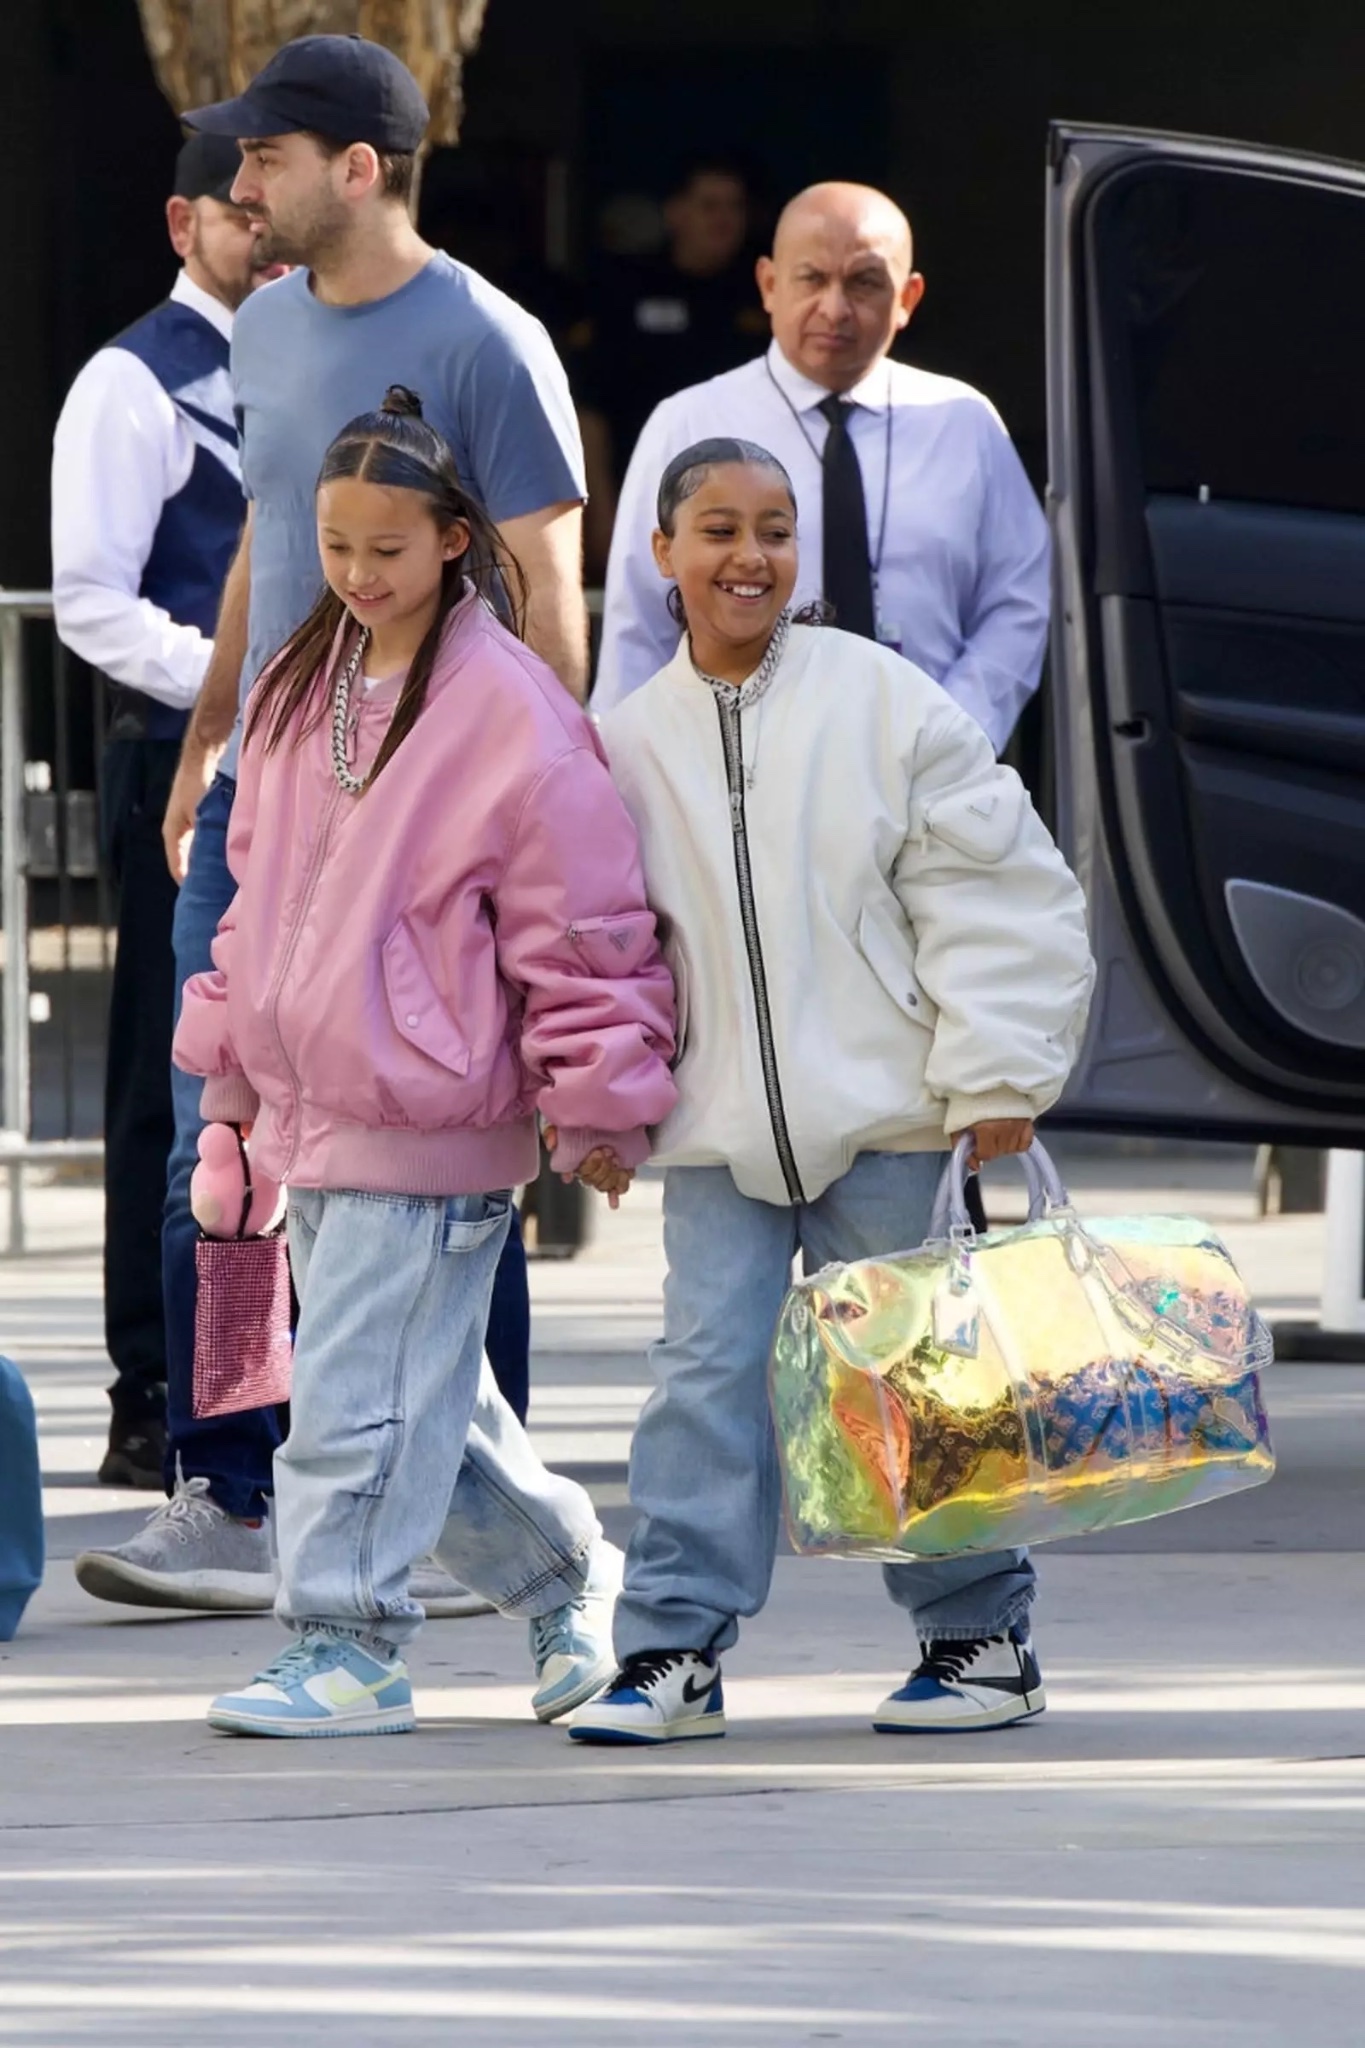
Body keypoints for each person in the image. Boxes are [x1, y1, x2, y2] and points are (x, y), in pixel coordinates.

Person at [73, 35, 587, 1613]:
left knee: (450, 1171)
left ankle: (444, 1517)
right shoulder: (275, 328)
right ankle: (230, 1490)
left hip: (426, 819)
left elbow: (548, 603)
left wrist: (525, 834)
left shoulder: (491, 342)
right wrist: (211, 729)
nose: (242, 187)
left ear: (357, 168)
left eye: (266, 158)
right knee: (210, 1165)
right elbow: (263, 547)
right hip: (264, 801)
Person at [568, 440, 1094, 1745]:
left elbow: (989, 886)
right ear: (662, 555)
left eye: (774, 530)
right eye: (718, 530)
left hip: (889, 1117)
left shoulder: (885, 701)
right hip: (719, 1132)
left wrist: (996, 1070)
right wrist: (597, 1104)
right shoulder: (621, 744)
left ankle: (979, 1638)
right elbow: (595, 947)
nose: (748, 556)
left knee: (912, 1377)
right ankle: (672, 1652)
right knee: (704, 1380)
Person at [172, 388, 676, 1737]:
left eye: (385, 549)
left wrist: (599, 1105)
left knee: (356, 1401)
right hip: (310, 1109)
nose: (356, 574)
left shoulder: (509, 708)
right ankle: (575, 1576)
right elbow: (251, 896)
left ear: (456, 539)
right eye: (335, 545)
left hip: (431, 1114)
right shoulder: (299, 682)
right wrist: (227, 1097)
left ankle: (348, 1641)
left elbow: (583, 922)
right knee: (412, 1401)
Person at [50, 133, 279, 1489]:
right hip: (176, 761)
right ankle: (157, 1389)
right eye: (239, 213)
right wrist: (239, 688)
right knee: (174, 1092)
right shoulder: (133, 378)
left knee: (271, 1096)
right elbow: (89, 599)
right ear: (182, 219)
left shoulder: (307, 353)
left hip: (299, 760)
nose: (263, 233)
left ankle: (259, 1387)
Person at [593, 181, 1050, 759]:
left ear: (907, 297)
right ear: (768, 284)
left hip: (933, 770)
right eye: (812, 279)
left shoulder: (963, 422)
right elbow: (641, 625)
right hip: (738, 772)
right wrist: (627, 779)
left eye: (863, 282)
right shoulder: (691, 421)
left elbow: (1020, 598)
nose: (835, 309)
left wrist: (958, 729)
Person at [570, 155, 763, 577]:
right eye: (709, 206)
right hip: (642, 501)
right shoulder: (625, 293)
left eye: (735, 207)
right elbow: (591, 416)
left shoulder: (766, 297)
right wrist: (603, 517)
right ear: (675, 213)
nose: (723, 219)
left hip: (747, 507)